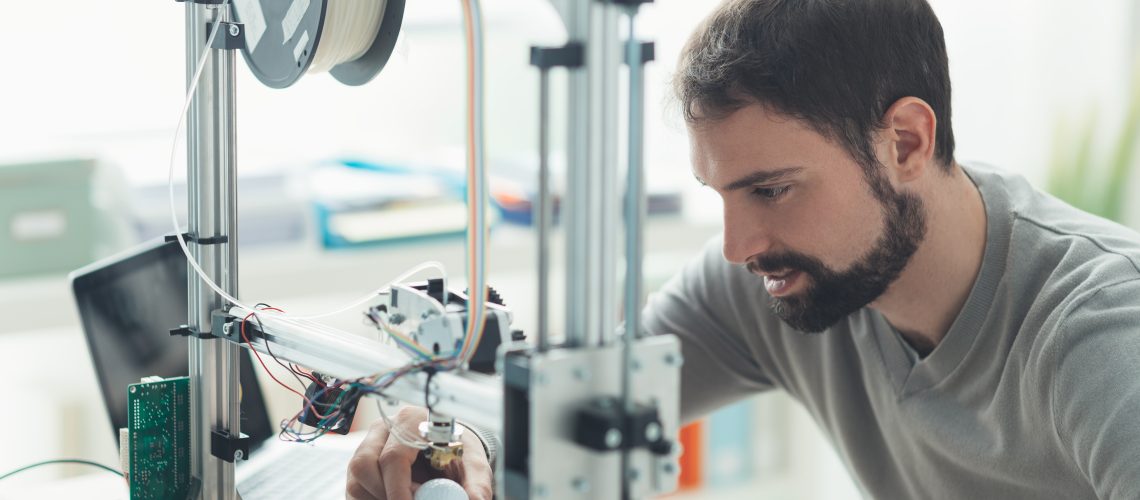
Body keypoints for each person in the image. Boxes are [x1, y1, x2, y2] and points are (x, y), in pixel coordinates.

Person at [347, 0, 1140, 498]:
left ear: (904, 140)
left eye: (770, 190)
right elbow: (586, 400)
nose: (736, 247)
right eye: (719, 195)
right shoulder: (782, 279)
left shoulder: (1102, 333)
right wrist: (453, 439)